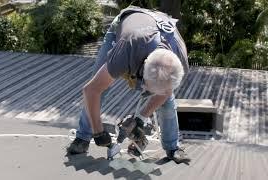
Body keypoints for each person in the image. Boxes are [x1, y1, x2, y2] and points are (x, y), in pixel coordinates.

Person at [66, 5, 189, 162]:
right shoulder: (127, 48)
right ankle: (83, 137)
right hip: (126, 25)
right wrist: (98, 131)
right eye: (145, 85)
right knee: (99, 86)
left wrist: (140, 119)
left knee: (168, 102)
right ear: (142, 69)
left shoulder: (178, 63)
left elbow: (165, 93)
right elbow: (91, 91)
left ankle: (173, 147)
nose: (143, 90)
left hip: (155, 24)